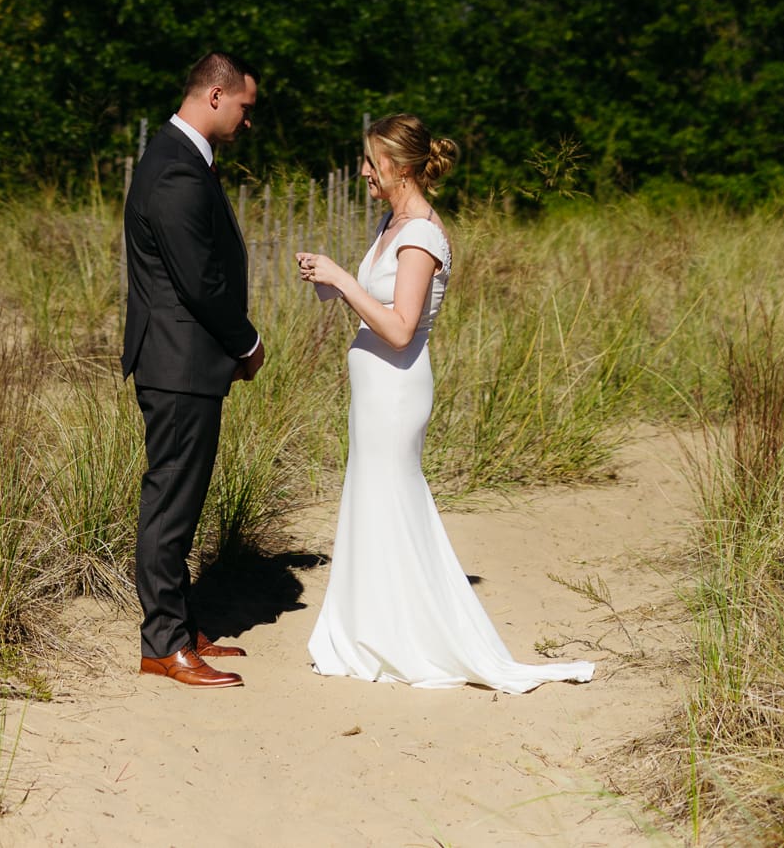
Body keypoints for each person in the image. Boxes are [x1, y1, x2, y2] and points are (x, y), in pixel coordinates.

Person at [294, 114, 594, 692]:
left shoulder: (422, 234)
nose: (361, 171)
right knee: (373, 502)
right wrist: (330, 284)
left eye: (370, 162)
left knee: (393, 499)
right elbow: (377, 303)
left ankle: (405, 635)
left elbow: (402, 328)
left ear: (399, 167)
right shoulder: (393, 222)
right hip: (374, 391)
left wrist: (344, 279)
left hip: (397, 391)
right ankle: (371, 625)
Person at [121, 52, 266, 688]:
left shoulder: (178, 160)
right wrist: (247, 343)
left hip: (185, 362)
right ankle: (161, 645)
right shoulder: (175, 170)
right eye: (245, 107)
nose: (247, 121)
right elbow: (200, 283)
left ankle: (179, 626)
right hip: (178, 364)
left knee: (182, 496)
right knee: (171, 502)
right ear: (214, 96)